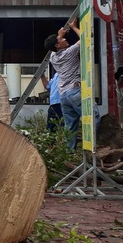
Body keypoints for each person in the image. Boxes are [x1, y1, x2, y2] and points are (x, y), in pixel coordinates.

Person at [44, 19, 82, 149]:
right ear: (58, 46)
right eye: (61, 40)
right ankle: (94, 146)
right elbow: (85, 39)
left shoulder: (53, 57)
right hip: (74, 91)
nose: (65, 39)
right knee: (92, 117)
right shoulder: (69, 52)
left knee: (70, 125)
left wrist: (60, 35)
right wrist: (74, 27)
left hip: (64, 95)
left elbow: (56, 45)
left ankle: (69, 152)